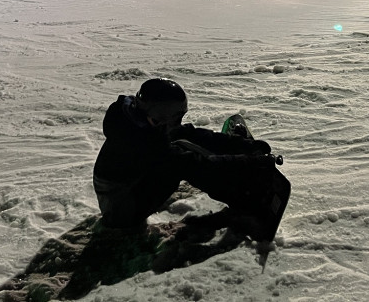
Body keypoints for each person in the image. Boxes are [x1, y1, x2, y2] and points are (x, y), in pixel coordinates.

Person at [93, 77, 276, 237]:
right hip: (122, 213)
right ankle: (243, 199)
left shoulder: (138, 121)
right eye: (175, 118)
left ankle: (236, 176)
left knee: (181, 146)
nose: (177, 123)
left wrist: (240, 145)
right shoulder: (142, 142)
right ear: (160, 114)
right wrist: (250, 163)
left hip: (120, 197)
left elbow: (189, 133)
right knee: (183, 163)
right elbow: (196, 165)